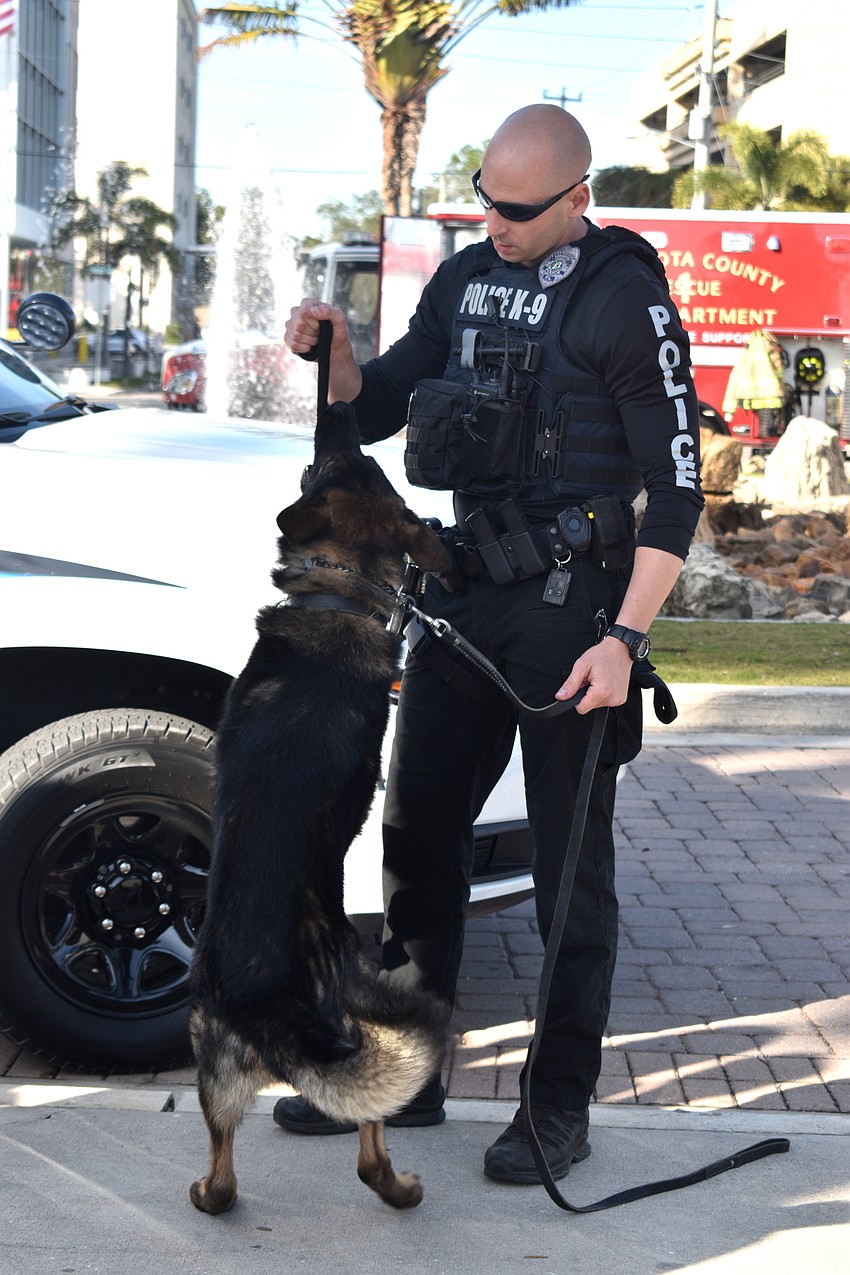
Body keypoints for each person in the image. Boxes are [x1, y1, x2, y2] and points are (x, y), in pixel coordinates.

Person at [273, 105, 704, 1184]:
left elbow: (678, 493)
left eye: (514, 209)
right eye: (484, 197)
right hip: (464, 596)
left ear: (576, 199)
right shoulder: (466, 278)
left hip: (573, 610)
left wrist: (622, 640)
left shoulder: (623, 295)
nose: (493, 221)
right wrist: (334, 350)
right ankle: (406, 1083)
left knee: (568, 876)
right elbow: (371, 407)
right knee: (420, 841)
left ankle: (554, 1109)